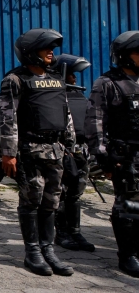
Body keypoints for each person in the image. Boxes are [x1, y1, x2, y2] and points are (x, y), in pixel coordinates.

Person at [0, 28, 75, 277]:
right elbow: (6, 118)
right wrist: (8, 153)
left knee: (52, 201)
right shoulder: (15, 79)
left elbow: (66, 113)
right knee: (31, 200)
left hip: (55, 150)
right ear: (31, 52)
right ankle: (32, 252)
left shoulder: (56, 78)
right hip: (30, 150)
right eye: (45, 48)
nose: (51, 52)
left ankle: (48, 250)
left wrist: (70, 146)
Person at [85, 31, 139, 277]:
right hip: (125, 157)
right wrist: (104, 156)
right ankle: (127, 255)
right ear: (125, 56)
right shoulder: (107, 84)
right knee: (128, 206)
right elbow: (95, 122)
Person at [53, 54, 95, 253]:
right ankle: (61, 232)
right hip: (63, 152)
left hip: (81, 152)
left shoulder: (79, 95)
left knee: (76, 194)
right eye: (71, 74)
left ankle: (75, 231)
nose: (75, 78)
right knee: (60, 193)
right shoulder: (54, 95)